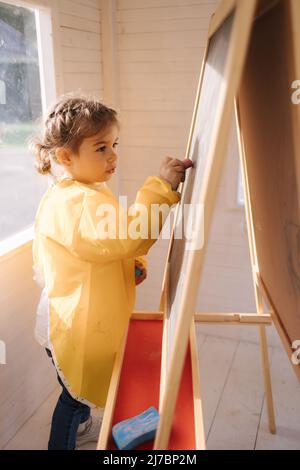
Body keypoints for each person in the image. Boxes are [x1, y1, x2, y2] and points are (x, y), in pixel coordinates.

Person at [30, 94, 189, 450]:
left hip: (65, 313)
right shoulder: (77, 202)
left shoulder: (79, 190)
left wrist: (129, 264)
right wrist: (161, 188)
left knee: (73, 391)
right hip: (71, 324)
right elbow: (128, 236)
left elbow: (100, 247)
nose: (113, 156)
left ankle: (84, 425)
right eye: (101, 148)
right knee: (72, 400)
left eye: (114, 144)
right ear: (65, 157)